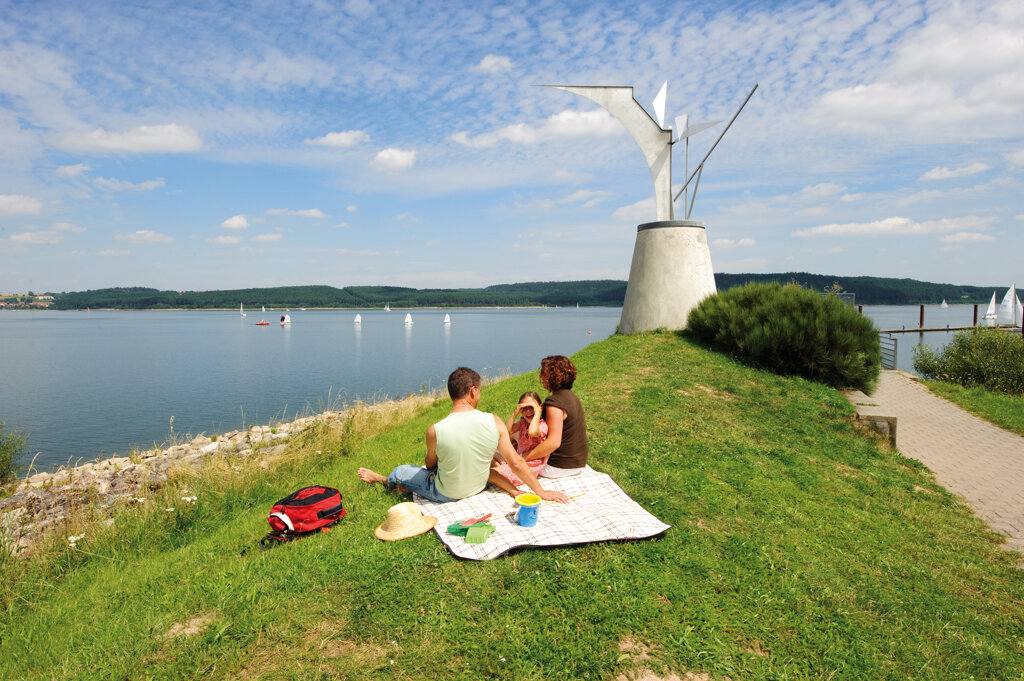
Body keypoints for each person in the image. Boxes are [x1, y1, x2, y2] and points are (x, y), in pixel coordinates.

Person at [357, 367, 569, 504]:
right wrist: (540, 491)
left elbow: (430, 466)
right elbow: (516, 463)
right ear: (473, 391)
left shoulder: (435, 430)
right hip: (478, 487)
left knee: (402, 470)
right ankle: (399, 485)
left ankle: (383, 479)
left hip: (446, 494)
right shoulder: (494, 421)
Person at [527, 355, 589, 478]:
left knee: (507, 463)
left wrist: (523, 457)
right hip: (578, 463)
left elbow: (553, 443)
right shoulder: (572, 397)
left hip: (558, 466)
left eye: (543, 374)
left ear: (553, 377)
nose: (540, 377)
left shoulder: (554, 403)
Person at [490, 392, 549, 489]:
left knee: (492, 472)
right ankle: (502, 466)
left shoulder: (542, 426)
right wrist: (515, 413)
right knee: (489, 455)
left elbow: (532, 432)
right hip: (519, 460)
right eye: (524, 409)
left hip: (529, 466)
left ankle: (502, 469)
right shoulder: (522, 423)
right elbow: (506, 431)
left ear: (539, 407)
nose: (528, 411)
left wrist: (538, 412)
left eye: (531, 407)